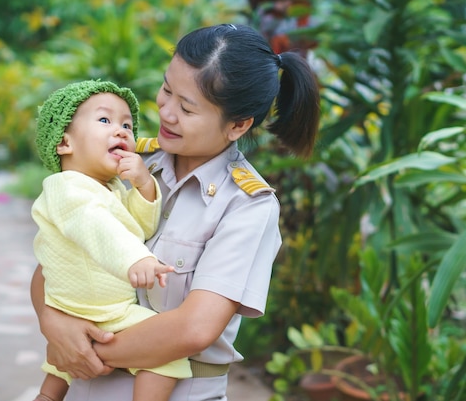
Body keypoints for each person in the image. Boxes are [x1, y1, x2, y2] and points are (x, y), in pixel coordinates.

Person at [30, 23, 320, 401]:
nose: (165, 112)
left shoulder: (245, 206)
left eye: (185, 107)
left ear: (238, 124)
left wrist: (81, 352)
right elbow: (54, 259)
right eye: (167, 89)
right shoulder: (128, 163)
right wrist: (54, 324)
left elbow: (194, 329)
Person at [30, 80, 192, 401]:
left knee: (60, 370)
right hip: (98, 308)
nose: (120, 131)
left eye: (127, 125)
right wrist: (137, 259)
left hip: (86, 306)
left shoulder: (112, 187)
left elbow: (137, 228)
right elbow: (98, 227)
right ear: (64, 143)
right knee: (168, 352)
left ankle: (48, 396)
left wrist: (144, 185)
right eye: (105, 121)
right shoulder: (67, 187)